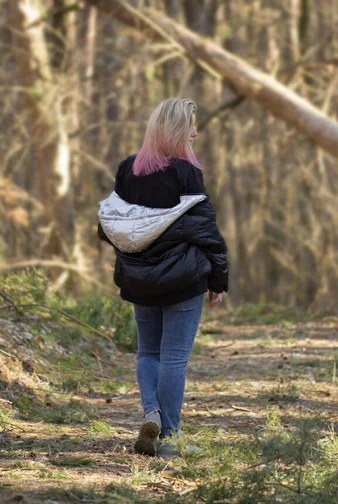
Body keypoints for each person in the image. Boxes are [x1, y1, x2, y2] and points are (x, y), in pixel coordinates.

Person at [97, 98, 228, 458]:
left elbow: (112, 225)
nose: (196, 132)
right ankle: (170, 438)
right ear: (177, 130)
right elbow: (204, 231)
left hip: (139, 278)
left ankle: (150, 413)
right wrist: (219, 278)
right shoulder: (187, 172)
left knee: (148, 352)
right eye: (191, 126)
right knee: (173, 358)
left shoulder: (127, 170)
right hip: (183, 279)